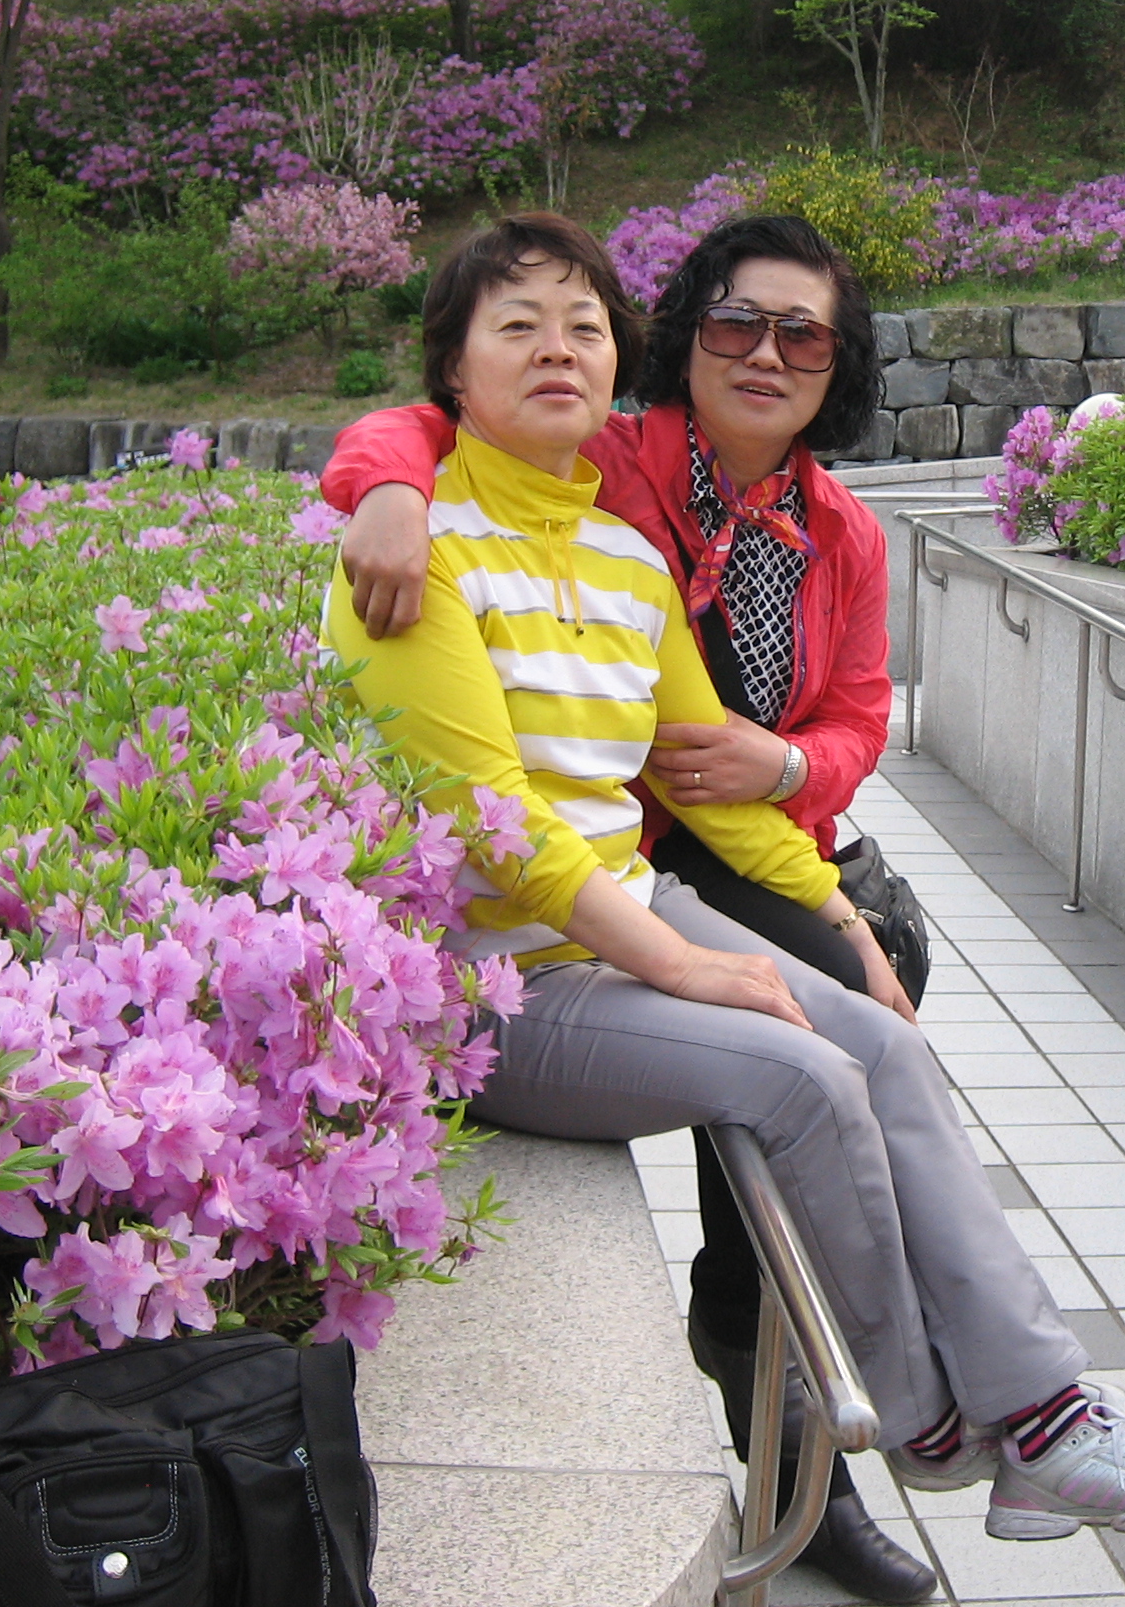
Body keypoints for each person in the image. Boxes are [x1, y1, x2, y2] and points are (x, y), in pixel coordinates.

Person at [322, 213, 1125, 1573]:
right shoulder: (437, 541)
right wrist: (695, 964)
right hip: (501, 968)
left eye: (583, 327)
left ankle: (1045, 1415)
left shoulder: (642, 556)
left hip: (635, 899)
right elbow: (500, 830)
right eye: (517, 327)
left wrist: (841, 926)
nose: (559, 350)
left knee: (884, 1040)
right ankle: (932, 1423)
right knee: (807, 1076)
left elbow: (746, 769)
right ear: (455, 367)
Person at [320, 214, 921, 1594]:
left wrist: (786, 769)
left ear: (840, 365)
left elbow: (856, 718)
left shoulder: (841, 529)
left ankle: (780, 1403)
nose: (766, 354)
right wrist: (389, 490)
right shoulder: (621, 454)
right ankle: (818, 1413)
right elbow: (427, 419)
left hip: (738, 842)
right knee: (791, 1070)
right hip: (615, 871)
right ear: (684, 339)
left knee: (868, 998)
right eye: (736, 322)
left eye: (805, 336)